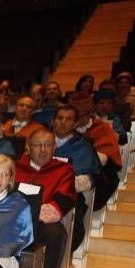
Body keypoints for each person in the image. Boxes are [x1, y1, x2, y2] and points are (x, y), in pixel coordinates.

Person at [14, 129, 76, 268]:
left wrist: (35, 214)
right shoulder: (15, 167)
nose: (42, 150)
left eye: (48, 145)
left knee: (54, 235)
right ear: (28, 148)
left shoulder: (63, 170)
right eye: (37, 145)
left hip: (44, 223)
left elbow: (64, 199)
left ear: (54, 147)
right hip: (13, 219)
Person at [51, 104, 101, 250]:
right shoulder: (40, 142)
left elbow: (93, 176)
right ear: (53, 121)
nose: (63, 122)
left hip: (69, 194)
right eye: (60, 118)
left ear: (76, 123)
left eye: (68, 119)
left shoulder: (83, 146)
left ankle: (63, 253)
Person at [69, 93, 122, 211]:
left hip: (97, 172)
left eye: (83, 115)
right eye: (76, 116)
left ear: (90, 113)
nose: (80, 119)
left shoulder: (102, 127)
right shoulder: (65, 128)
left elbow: (106, 157)